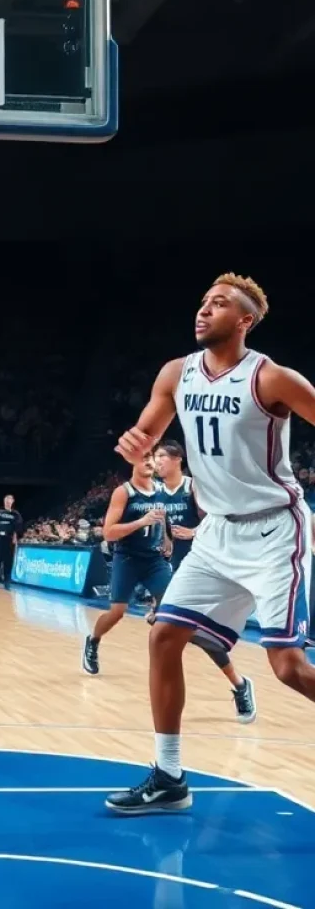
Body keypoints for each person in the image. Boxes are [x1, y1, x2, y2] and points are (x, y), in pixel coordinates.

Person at [106, 273, 315, 816]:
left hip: (275, 529)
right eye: (202, 302)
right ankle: (170, 776)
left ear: (244, 320)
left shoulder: (272, 379)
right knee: (164, 637)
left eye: (219, 304)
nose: (204, 311)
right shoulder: (176, 374)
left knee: (289, 667)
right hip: (219, 530)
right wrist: (136, 442)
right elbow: (146, 436)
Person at [153, 440, 256, 723]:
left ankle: (239, 684)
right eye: (155, 457)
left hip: (209, 562)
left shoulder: (194, 485)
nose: (156, 461)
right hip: (179, 566)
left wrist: (195, 532)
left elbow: (217, 515)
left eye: (161, 456)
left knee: (193, 635)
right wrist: (167, 542)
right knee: (168, 632)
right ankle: (234, 686)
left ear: (177, 459)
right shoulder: (159, 492)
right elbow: (166, 525)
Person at [82, 451, 171, 674]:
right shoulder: (123, 493)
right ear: (133, 462)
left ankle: (154, 615)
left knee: (171, 601)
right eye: (144, 458)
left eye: (153, 458)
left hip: (153, 558)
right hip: (127, 558)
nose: (150, 462)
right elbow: (109, 533)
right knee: (117, 612)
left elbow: (163, 517)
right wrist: (141, 522)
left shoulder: (162, 490)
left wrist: (168, 539)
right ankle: (93, 640)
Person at [0, 494, 22, 588]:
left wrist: (15, 538)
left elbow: (17, 528)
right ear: (4, 501)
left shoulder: (15, 514)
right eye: (6, 499)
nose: (7, 501)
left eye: (9, 499)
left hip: (8, 539)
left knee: (8, 562)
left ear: (12, 501)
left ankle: (7, 583)